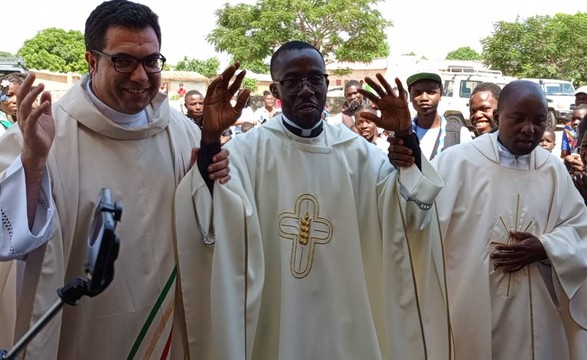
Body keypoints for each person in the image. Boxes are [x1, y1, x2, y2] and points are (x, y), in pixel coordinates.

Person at [175, 41, 450, 360]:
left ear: (325, 83)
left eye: (315, 79)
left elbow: (408, 218)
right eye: (292, 81)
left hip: (347, 317)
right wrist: (209, 142)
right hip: (273, 317)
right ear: (276, 88)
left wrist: (406, 139)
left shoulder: (359, 155)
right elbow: (209, 225)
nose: (305, 89)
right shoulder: (246, 154)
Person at [0, 1, 235, 359]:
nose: (141, 76)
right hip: (79, 328)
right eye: (123, 61)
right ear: (92, 61)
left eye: (151, 61)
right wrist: (32, 164)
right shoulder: (44, 131)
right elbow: (6, 240)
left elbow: (206, 229)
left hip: (163, 325)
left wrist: (209, 172)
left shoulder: (182, 131)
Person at [390, 80, 587, 359]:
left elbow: (581, 230)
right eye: (518, 118)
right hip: (469, 307)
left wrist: (546, 247)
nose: (529, 129)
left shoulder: (552, 169)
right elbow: (416, 219)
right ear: (497, 117)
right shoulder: (458, 162)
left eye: (539, 120)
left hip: (538, 318)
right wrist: (405, 150)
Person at [408, 72, 471, 160]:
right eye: (417, 93)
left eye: (431, 92)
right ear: (410, 97)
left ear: (440, 94)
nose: (424, 98)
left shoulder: (460, 133)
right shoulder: (404, 132)